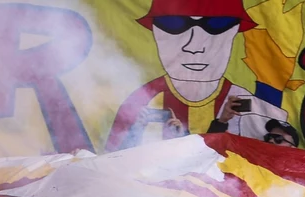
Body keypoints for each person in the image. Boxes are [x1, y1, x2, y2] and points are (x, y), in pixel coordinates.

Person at [107, 0, 287, 151]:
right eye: (174, 25)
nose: (194, 46)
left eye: (217, 25)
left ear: (235, 32)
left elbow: (276, 158)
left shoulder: (248, 103)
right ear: (155, 31)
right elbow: (113, 162)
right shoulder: (141, 101)